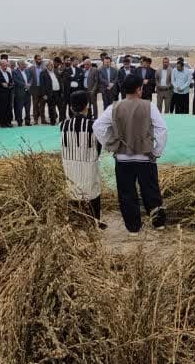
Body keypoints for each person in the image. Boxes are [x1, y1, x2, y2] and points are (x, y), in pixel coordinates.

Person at [93, 75, 167, 235]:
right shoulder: (149, 106)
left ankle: (133, 227)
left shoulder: (114, 107)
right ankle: (158, 223)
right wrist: (157, 151)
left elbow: (97, 126)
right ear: (139, 89)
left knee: (126, 193)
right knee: (151, 191)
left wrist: (109, 143)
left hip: (122, 158)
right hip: (145, 157)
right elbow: (162, 129)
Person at [60, 90, 106, 230]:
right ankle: (94, 221)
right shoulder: (93, 125)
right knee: (92, 190)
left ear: (71, 107)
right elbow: (99, 147)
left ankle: (75, 221)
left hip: (69, 164)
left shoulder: (63, 125)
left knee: (73, 190)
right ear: (87, 106)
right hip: (88, 163)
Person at [39, 57, 64, 125]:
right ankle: (53, 122)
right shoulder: (43, 73)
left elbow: (60, 81)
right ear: (47, 66)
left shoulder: (56, 71)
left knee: (61, 108)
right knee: (51, 108)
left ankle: (62, 121)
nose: (51, 66)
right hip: (50, 93)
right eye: (49, 65)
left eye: (52, 65)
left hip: (58, 93)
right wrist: (44, 94)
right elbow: (42, 85)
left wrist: (62, 91)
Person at [0, 58, 14, 128]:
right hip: (1, 93)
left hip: (8, 92)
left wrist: (10, 84)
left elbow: (11, 81)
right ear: (1, 65)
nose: (5, 67)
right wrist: (1, 84)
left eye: (6, 65)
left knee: (9, 107)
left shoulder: (8, 73)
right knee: (2, 108)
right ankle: (2, 123)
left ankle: (8, 122)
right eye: (4, 65)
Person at [12, 59, 33, 126]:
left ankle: (28, 121)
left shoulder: (27, 70)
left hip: (28, 93)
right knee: (19, 109)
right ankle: (20, 122)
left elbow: (31, 78)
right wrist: (25, 85)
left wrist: (29, 83)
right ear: (19, 65)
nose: (24, 65)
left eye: (24, 64)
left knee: (28, 108)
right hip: (20, 93)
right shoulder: (15, 72)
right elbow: (16, 81)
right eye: (23, 64)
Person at [29, 54, 48, 124]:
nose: (40, 60)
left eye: (41, 59)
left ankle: (43, 120)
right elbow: (29, 79)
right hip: (35, 89)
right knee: (35, 105)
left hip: (43, 89)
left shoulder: (44, 68)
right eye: (38, 59)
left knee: (42, 105)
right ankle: (35, 120)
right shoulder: (31, 69)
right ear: (35, 60)